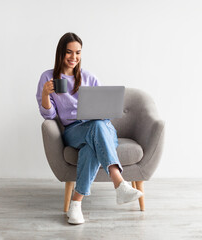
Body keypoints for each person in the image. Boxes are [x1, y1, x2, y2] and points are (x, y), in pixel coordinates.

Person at [36, 32, 143, 224]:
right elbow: (49, 116)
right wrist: (45, 94)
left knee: (91, 144)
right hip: (74, 131)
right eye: (69, 52)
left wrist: (102, 114)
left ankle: (75, 205)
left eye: (77, 53)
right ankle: (119, 183)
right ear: (60, 53)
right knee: (95, 128)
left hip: (102, 128)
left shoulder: (89, 77)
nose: (73, 57)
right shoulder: (47, 77)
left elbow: (106, 111)